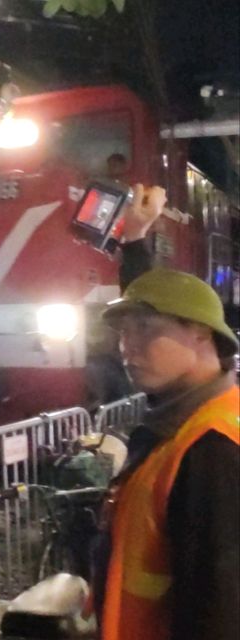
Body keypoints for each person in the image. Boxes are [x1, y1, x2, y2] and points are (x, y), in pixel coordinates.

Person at [92, 184, 240, 640]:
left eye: (144, 331)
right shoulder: (185, 419)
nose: (126, 348)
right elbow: (158, 305)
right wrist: (135, 240)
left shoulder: (214, 451)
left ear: (199, 334)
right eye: (122, 333)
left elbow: (220, 613)